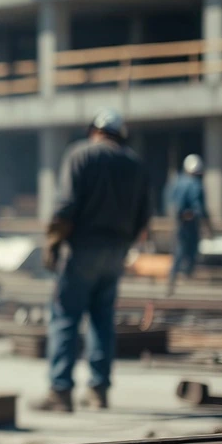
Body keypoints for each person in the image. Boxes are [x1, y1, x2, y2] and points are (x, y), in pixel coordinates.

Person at [37, 109, 151, 412]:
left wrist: (53, 241)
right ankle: (99, 390)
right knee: (102, 320)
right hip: (116, 252)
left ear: (94, 130)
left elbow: (67, 204)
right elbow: (144, 215)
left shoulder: (80, 155)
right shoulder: (135, 163)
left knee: (65, 317)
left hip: (82, 248)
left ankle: (61, 391)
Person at [167, 154, 211, 296]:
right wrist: (208, 224)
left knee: (180, 250)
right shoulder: (195, 184)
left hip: (181, 222)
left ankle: (173, 278)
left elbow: (172, 202)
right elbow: (200, 208)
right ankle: (184, 276)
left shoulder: (178, 182)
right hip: (190, 222)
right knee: (190, 249)